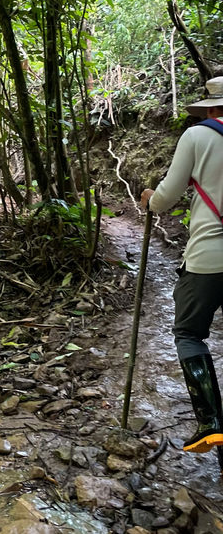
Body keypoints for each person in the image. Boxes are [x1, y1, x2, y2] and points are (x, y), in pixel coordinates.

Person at [140, 76, 223, 454]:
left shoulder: (197, 137)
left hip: (209, 256)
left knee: (189, 334)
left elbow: (166, 197)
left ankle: (211, 421)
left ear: (210, 108)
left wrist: (150, 199)